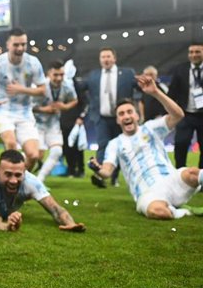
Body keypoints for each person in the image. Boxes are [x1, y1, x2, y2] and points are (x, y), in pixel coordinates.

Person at [89, 75, 203, 219]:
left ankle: (174, 205)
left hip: (171, 180)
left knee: (192, 173)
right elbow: (107, 171)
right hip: (148, 192)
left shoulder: (150, 128)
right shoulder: (115, 144)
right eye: (121, 114)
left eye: (130, 112)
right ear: (118, 120)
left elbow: (178, 115)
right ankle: (182, 211)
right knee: (158, 212)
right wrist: (98, 169)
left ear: (137, 116)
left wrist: (156, 92)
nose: (126, 116)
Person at [0, 149, 85, 232]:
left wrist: (71, 224)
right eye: (8, 174)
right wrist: (6, 226)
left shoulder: (31, 181)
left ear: (24, 172)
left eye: (18, 175)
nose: (13, 180)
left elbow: (54, 208)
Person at [0, 27, 46, 170]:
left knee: (33, 155)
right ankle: (8, 183)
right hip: (1, 110)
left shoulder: (33, 63)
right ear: (8, 44)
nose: (20, 48)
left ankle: (18, 182)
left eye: (23, 44)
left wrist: (21, 89)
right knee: (11, 145)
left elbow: (43, 90)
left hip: (24, 112)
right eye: (16, 44)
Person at [79, 47, 138, 186]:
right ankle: (100, 176)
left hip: (121, 119)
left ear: (114, 58)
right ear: (100, 60)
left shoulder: (127, 74)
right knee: (103, 145)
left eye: (108, 56)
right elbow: (80, 87)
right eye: (103, 57)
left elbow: (140, 86)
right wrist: (69, 79)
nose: (105, 59)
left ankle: (114, 177)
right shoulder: (94, 75)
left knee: (120, 147)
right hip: (101, 117)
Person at [33, 60, 78, 182]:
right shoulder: (40, 86)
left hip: (53, 124)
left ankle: (39, 180)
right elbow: (28, 107)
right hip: (36, 124)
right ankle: (21, 169)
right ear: (49, 74)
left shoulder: (67, 85)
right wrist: (44, 109)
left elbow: (74, 100)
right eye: (56, 75)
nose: (59, 78)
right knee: (37, 154)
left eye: (61, 75)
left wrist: (65, 107)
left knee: (57, 151)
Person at [168, 42, 203, 169]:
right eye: (191, 52)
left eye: (197, 52)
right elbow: (172, 93)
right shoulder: (180, 69)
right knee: (180, 143)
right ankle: (180, 174)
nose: (194, 55)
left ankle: (201, 177)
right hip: (185, 114)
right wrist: (170, 113)